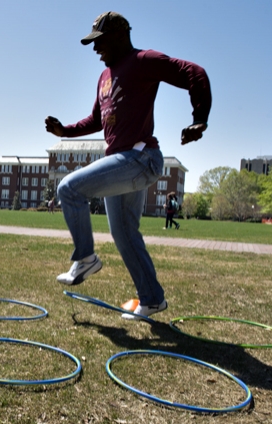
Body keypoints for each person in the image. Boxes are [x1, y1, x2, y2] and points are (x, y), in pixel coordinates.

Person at [45, 11, 211, 320]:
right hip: (119, 162)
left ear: (121, 35)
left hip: (140, 158)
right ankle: (152, 300)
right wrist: (64, 131)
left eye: (100, 42)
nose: (96, 50)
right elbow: (97, 120)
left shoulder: (143, 60)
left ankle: (85, 259)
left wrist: (199, 117)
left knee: (68, 188)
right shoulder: (104, 77)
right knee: (124, 235)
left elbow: (193, 71)